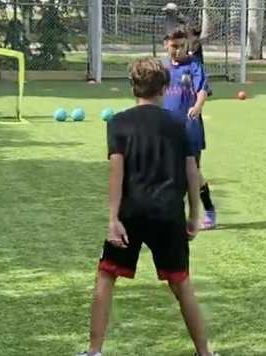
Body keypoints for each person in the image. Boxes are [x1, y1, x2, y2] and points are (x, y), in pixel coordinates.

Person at [79, 58, 217, 356]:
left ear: (132, 88)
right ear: (165, 88)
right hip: (168, 214)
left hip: (131, 213)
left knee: (106, 275)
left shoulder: (118, 122)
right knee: (181, 284)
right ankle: (205, 353)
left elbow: (117, 173)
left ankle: (93, 351)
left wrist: (113, 218)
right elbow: (192, 171)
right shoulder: (180, 123)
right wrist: (194, 214)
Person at [162, 29, 217, 229]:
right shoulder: (163, 69)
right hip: (166, 129)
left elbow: (202, 89)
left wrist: (198, 106)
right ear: (166, 45)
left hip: (189, 129)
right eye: (174, 46)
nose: (178, 50)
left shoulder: (194, 65)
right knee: (167, 171)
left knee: (193, 172)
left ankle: (209, 209)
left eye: (181, 46)